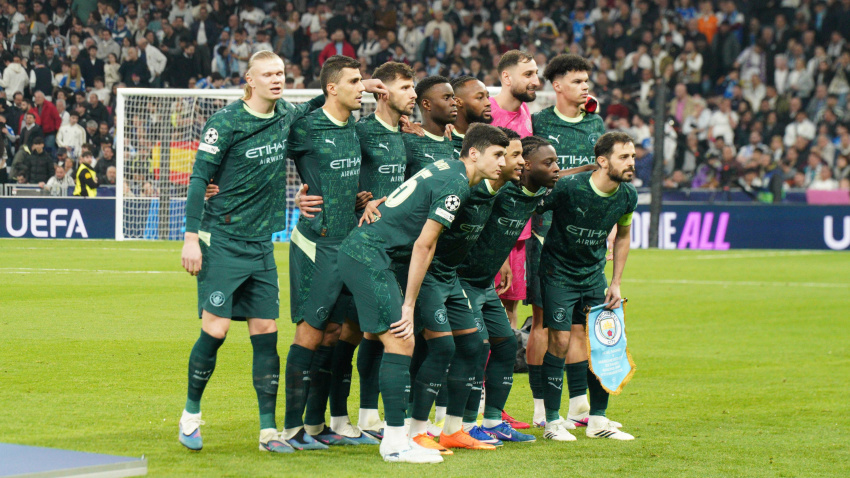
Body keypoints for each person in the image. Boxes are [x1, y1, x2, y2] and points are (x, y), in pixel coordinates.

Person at [178, 50, 386, 454]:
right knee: (216, 331)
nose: (277, 79)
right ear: (249, 80)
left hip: (261, 245)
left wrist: (365, 87)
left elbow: (317, 104)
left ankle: (269, 432)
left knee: (267, 335)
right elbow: (199, 176)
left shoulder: (286, 118)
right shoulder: (225, 123)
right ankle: (190, 414)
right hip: (221, 238)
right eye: (268, 74)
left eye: (281, 73)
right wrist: (190, 238)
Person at [339, 123, 508, 463]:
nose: (503, 162)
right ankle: (394, 442)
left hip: (373, 254)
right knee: (400, 340)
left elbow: (411, 197)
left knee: (393, 340)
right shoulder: (457, 182)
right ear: (474, 153)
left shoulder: (449, 168)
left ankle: (402, 435)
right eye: (498, 154)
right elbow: (424, 244)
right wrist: (409, 304)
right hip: (369, 256)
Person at [300, 62, 418, 442]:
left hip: (389, 248)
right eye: (405, 87)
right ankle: (335, 417)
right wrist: (309, 191)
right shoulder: (360, 130)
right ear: (382, 92)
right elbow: (322, 155)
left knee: (366, 334)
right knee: (345, 333)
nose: (412, 94)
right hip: (351, 244)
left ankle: (359, 416)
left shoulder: (402, 135)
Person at [283, 55, 376, 449]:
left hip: (346, 242)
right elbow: (267, 151)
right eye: (355, 81)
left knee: (335, 333)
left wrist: (355, 200)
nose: (363, 87)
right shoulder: (305, 126)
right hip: (315, 244)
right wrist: (289, 200)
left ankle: (317, 425)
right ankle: (289, 429)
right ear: (331, 88)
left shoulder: (353, 126)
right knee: (310, 332)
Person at [536, 131, 638, 442]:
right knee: (560, 342)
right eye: (624, 157)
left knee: (603, 343)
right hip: (557, 273)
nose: (631, 163)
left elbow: (622, 236)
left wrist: (616, 282)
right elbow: (533, 206)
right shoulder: (569, 187)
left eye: (633, 156)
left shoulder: (627, 196)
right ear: (602, 161)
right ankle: (552, 422)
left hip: (594, 275)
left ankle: (597, 420)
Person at [528, 54, 607, 428]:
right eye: (577, 81)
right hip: (544, 237)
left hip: (583, 244)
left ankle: (578, 405)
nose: (585, 86)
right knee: (544, 323)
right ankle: (542, 407)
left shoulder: (596, 125)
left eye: (587, 80)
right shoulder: (539, 123)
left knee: (581, 326)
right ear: (557, 86)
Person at [402, 76, 456, 177]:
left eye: (453, 97)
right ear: (426, 104)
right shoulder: (408, 141)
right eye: (446, 98)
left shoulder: (451, 141)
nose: (454, 102)